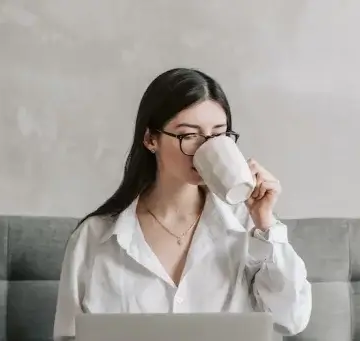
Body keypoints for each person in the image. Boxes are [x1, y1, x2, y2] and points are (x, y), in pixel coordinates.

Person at [52, 68, 312, 339]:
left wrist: (265, 222)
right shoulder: (95, 239)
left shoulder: (248, 227)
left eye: (218, 135)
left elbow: (291, 318)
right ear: (151, 139)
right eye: (189, 135)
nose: (206, 148)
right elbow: (68, 335)